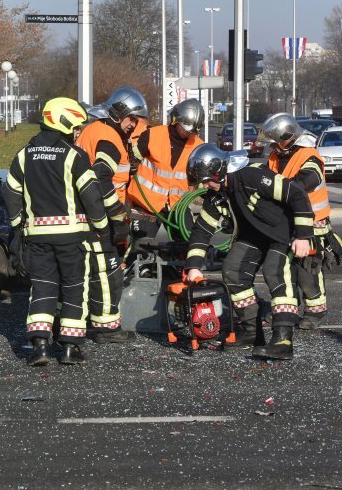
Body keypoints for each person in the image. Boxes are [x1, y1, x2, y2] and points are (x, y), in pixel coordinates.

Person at [3, 97, 113, 365]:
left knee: (42, 289)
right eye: (76, 127)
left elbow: (9, 191)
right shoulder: (73, 156)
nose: (77, 133)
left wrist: (19, 224)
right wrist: (101, 226)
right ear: (64, 123)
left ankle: (39, 346)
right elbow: (91, 194)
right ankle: (69, 348)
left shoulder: (23, 155)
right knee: (75, 288)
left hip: (37, 238)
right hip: (72, 238)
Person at [184, 144, 314, 360]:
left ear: (220, 170)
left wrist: (303, 235)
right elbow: (202, 230)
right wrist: (194, 267)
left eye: (208, 180)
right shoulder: (216, 196)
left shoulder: (252, 176)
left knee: (275, 272)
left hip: (283, 233)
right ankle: (252, 332)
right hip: (254, 236)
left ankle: (283, 340)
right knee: (233, 270)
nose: (206, 185)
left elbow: (297, 194)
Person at [75, 86, 148, 342]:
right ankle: (107, 328)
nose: (133, 126)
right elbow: (102, 178)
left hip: (83, 212)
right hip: (99, 216)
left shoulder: (95, 130)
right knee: (108, 272)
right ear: (119, 114)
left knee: (81, 273)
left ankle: (69, 323)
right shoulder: (109, 138)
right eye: (132, 120)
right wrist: (116, 215)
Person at [261, 113, 335, 330]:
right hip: (284, 221)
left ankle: (316, 310)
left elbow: (308, 179)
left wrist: (279, 189)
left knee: (307, 271)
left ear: (287, 138)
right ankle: (286, 312)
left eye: (275, 142)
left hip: (312, 225)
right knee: (281, 269)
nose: (272, 146)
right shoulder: (275, 156)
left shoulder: (309, 156)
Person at [127, 98, 205, 237]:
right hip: (146, 204)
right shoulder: (152, 135)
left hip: (177, 206)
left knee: (189, 244)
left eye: (193, 132)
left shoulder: (198, 146)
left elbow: (197, 179)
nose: (190, 135)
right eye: (187, 130)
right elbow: (131, 162)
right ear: (176, 121)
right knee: (140, 247)